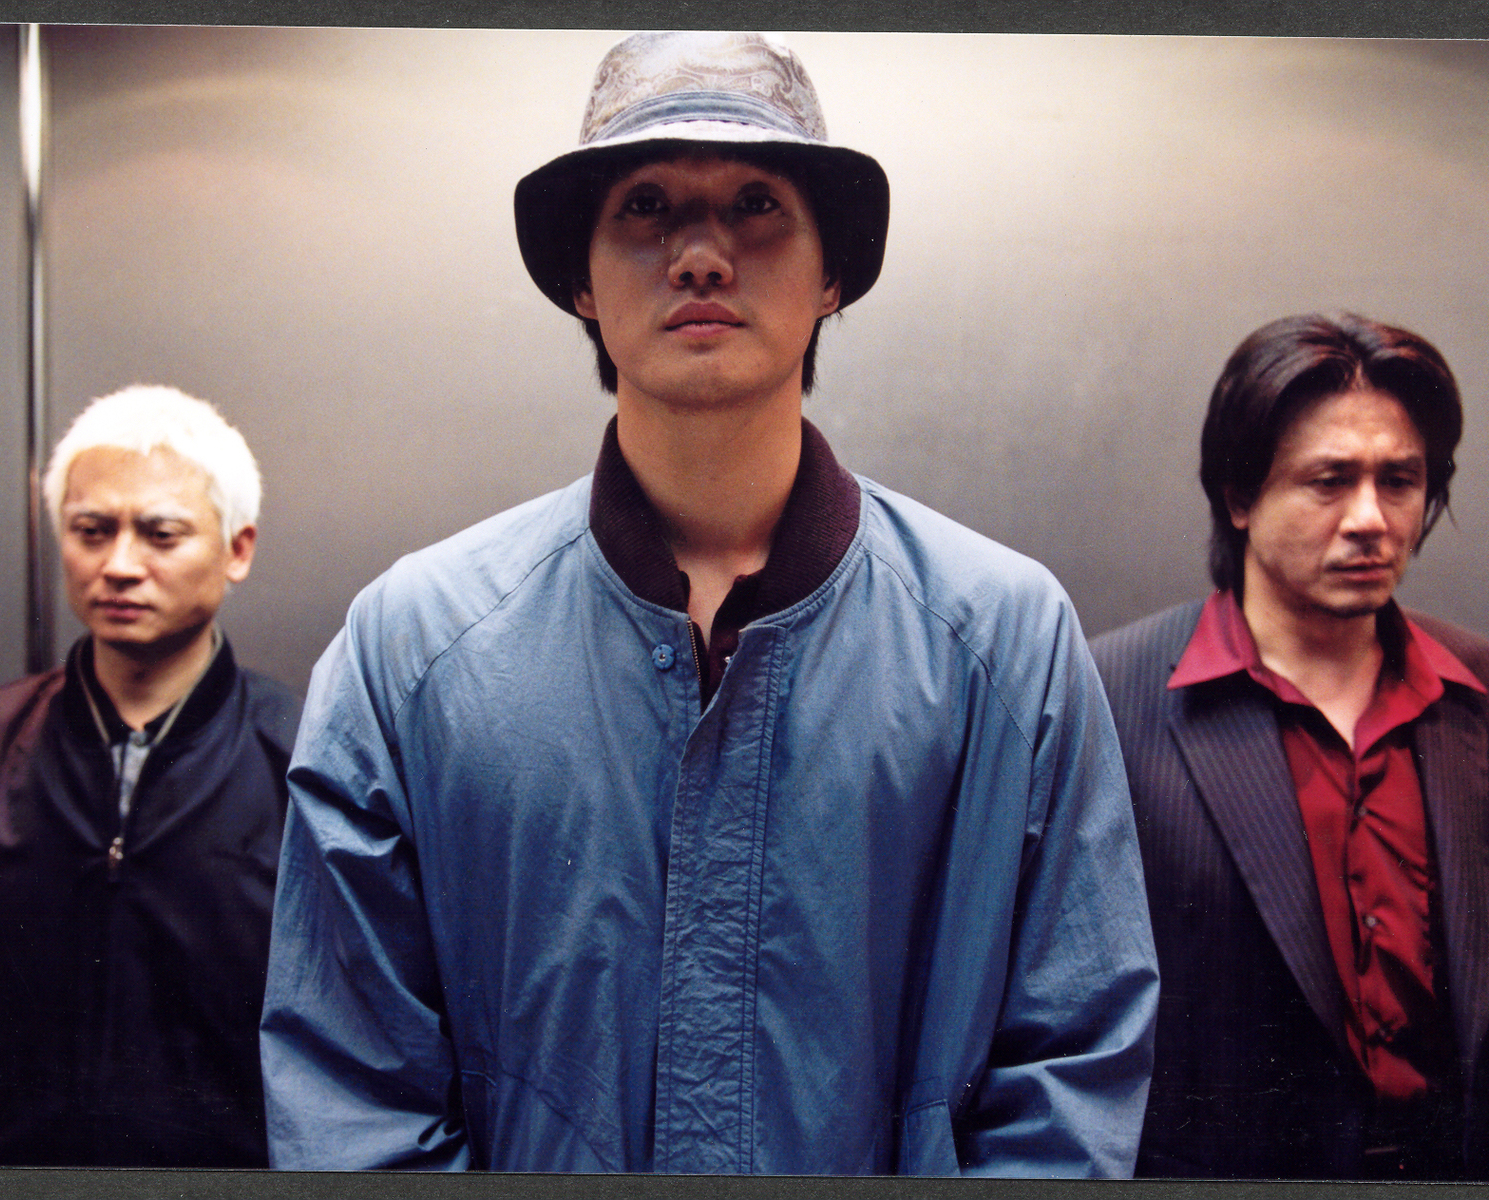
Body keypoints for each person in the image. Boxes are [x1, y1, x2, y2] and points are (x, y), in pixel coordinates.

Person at [260, 31, 1157, 1176]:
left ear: (833, 275)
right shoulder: (414, 646)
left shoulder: (1001, 639)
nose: (698, 255)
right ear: (580, 282)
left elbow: (1068, 1065)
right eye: (644, 206)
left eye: (755, 205)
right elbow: (350, 1093)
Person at [1089, 312, 1489, 1181]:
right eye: (1329, 481)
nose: (1371, 519)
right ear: (1240, 497)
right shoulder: (1111, 694)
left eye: (1400, 481)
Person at [0, 385, 300, 1167]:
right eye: (91, 531)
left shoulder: (303, 767)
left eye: (160, 534)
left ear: (236, 549)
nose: (119, 566)